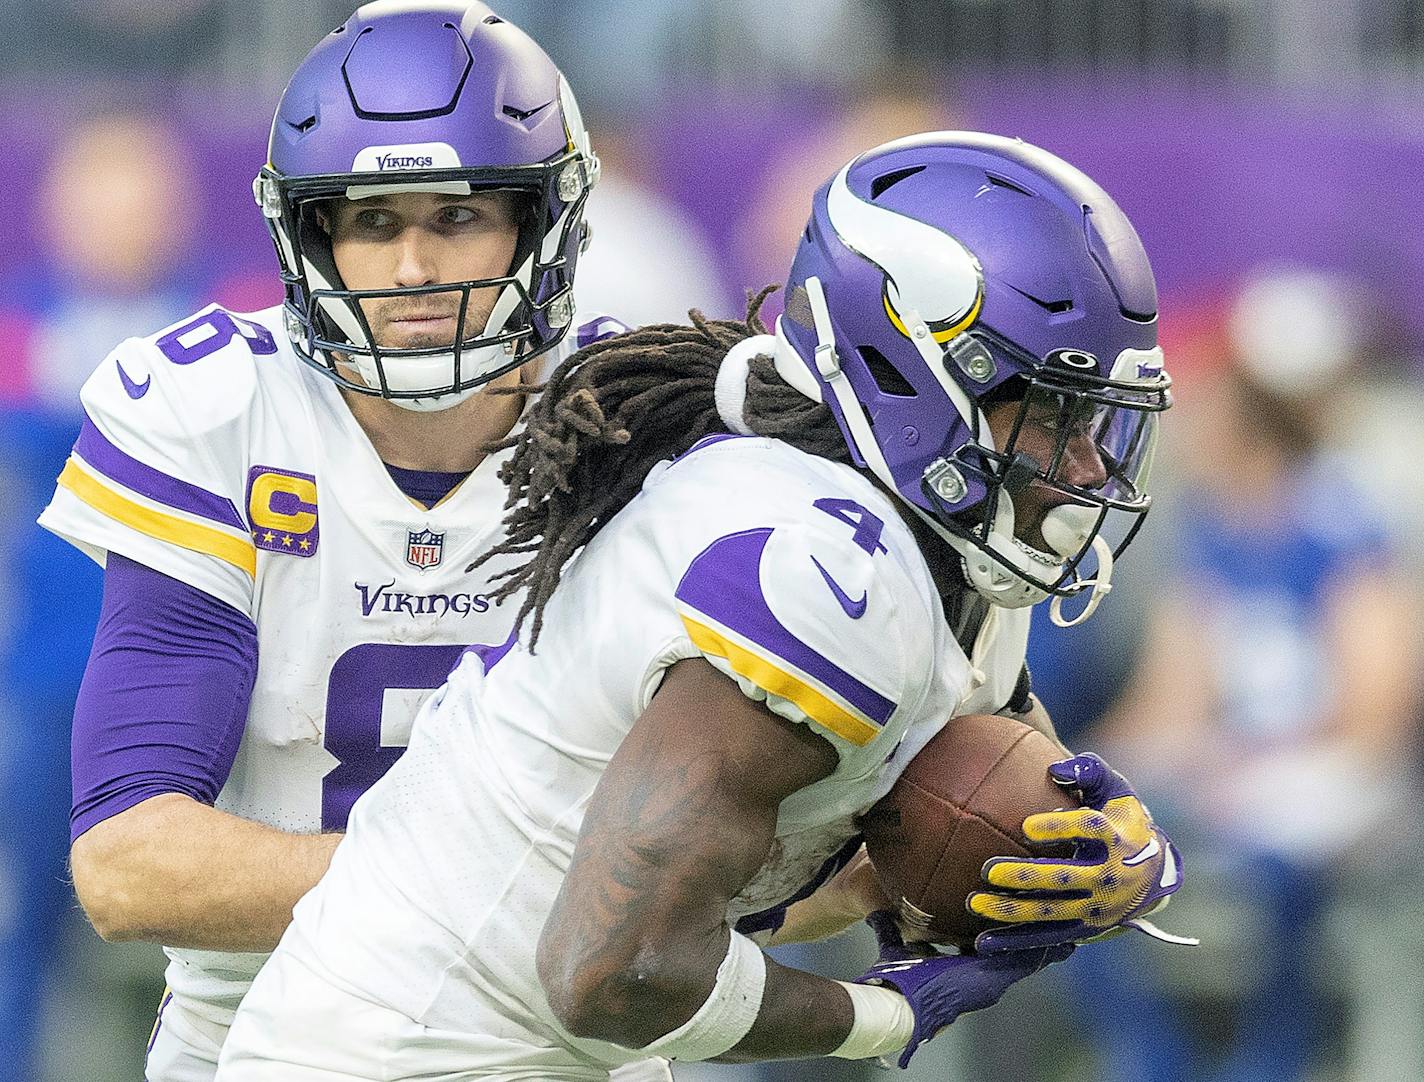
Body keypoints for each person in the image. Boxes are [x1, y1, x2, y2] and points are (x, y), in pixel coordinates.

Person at [216, 131, 1186, 1081]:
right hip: (406, 1046)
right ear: (915, 376)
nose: (1088, 465)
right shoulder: (820, 564)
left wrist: (1123, 856)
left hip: (559, 1043)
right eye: (1052, 410)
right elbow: (615, 971)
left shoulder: (950, 537)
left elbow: (1022, 772)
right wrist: (887, 1010)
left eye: (1093, 417)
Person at [36, 5, 671, 1081]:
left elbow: (757, 850)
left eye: (458, 214)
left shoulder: (645, 428)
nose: (414, 265)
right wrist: (515, 888)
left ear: (541, 220)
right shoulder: (220, 412)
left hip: (563, 1045)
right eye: (370, 222)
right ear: (309, 234)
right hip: (268, 1033)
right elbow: (128, 863)